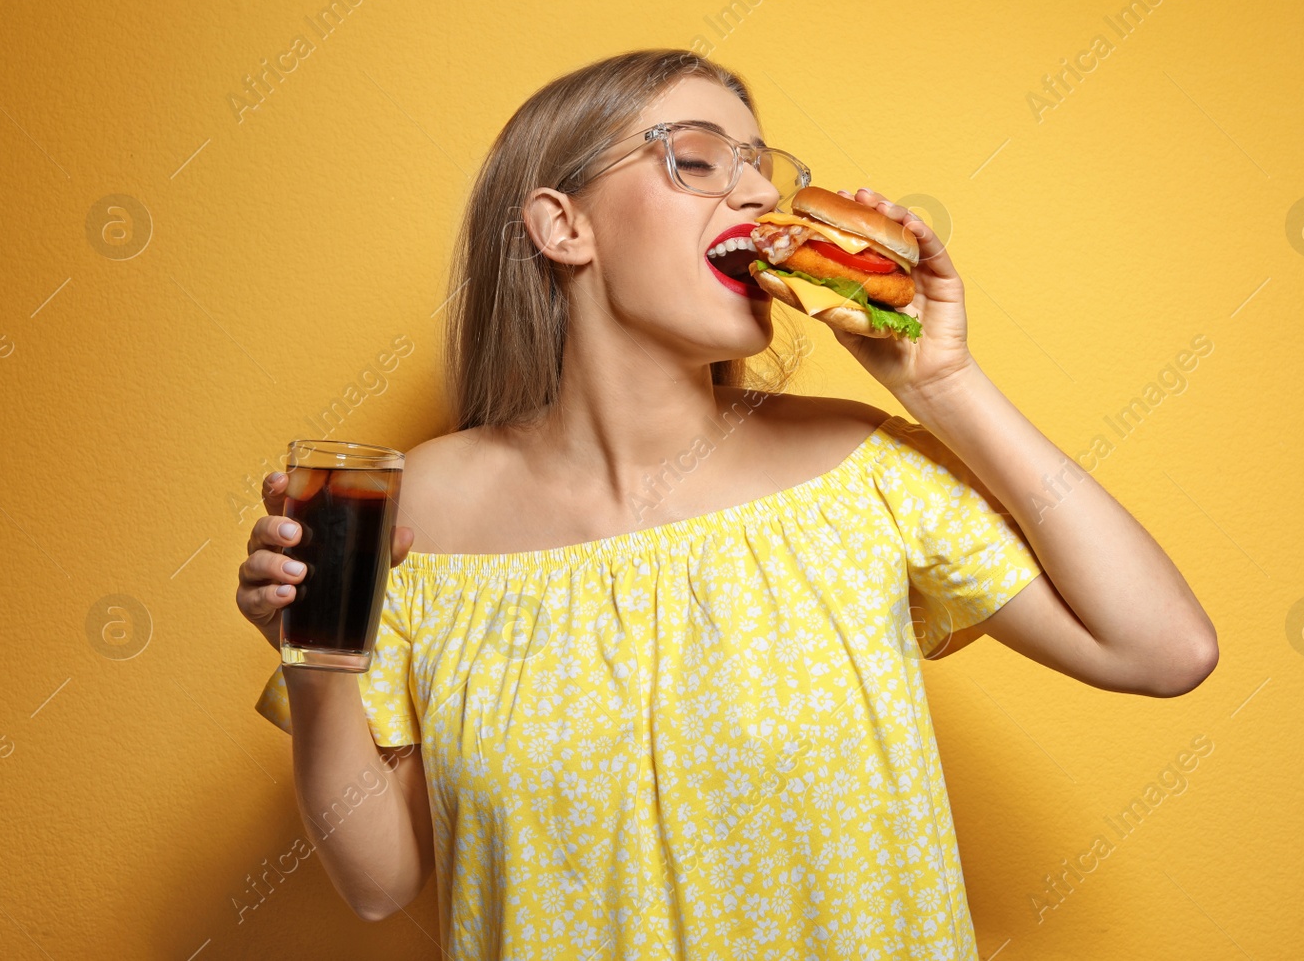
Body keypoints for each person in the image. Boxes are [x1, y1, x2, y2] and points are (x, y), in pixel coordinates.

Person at [235, 48, 1217, 956]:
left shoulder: (857, 469)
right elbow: (379, 878)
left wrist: (940, 383)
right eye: (698, 161)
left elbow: (1162, 647)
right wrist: (314, 649)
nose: (757, 191)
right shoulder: (416, 515)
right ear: (561, 224)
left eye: (762, 166)